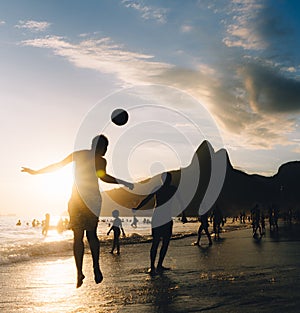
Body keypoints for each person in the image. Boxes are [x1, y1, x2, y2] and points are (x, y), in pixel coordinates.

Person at [22, 134, 133, 288]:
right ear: (98, 146)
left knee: (78, 237)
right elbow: (103, 177)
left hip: (76, 200)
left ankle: (79, 272)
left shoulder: (79, 154)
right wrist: (122, 181)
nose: (106, 150)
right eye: (105, 147)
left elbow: (58, 165)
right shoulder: (100, 160)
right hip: (92, 200)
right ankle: (95, 266)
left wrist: (36, 172)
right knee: (91, 234)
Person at [132, 172, 182, 276]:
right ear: (162, 180)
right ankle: (152, 266)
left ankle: (159, 265)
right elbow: (147, 199)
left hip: (167, 218)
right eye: (165, 178)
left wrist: (184, 214)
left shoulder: (172, 189)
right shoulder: (158, 188)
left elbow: (180, 201)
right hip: (158, 218)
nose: (166, 180)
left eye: (168, 178)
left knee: (165, 243)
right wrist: (137, 207)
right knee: (156, 242)